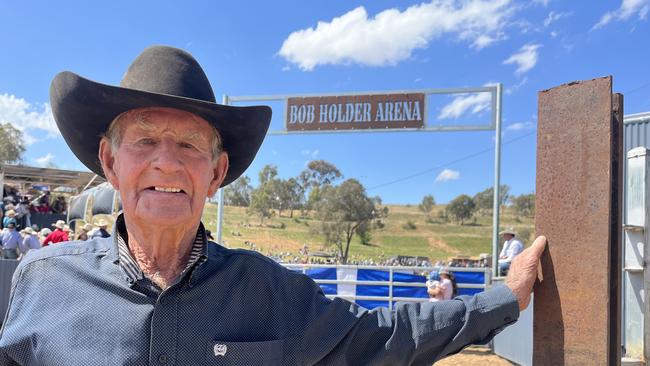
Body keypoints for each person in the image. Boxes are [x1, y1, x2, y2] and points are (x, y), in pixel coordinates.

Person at [0, 46, 546, 365]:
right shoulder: (43, 281)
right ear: (110, 161)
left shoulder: (271, 294)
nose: (166, 163)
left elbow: (385, 336)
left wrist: (505, 297)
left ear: (215, 174)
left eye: (189, 144)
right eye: (144, 139)